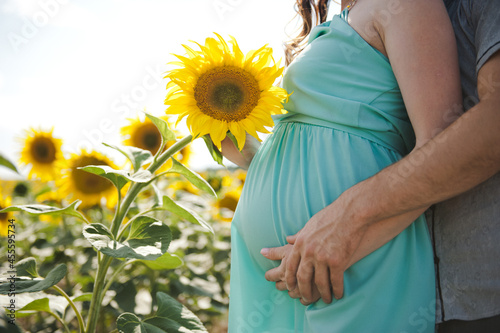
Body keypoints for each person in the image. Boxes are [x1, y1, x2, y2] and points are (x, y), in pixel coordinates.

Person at [221, 0, 462, 331]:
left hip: (351, 258)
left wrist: (349, 233)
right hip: (278, 275)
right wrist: (245, 148)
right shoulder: (337, 22)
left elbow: (445, 151)